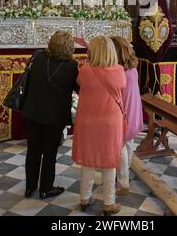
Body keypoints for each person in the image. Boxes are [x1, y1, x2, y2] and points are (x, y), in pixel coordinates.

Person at [72, 36, 126, 216]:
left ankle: (85, 198)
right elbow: (122, 87)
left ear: (92, 53)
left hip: (87, 121)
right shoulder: (119, 70)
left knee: (88, 159)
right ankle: (109, 203)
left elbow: (80, 84)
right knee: (109, 161)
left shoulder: (85, 71)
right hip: (110, 122)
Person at [22, 31, 78, 199]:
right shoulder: (71, 66)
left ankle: (30, 187)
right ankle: (46, 188)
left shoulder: (37, 56)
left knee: (33, 151)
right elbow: (79, 88)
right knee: (49, 153)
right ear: (69, 48)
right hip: (55, 117)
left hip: (32, 112)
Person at [111, 37, 143, 195]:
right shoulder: (131, 67)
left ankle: (122, 182)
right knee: (127, 144)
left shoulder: (119, 71)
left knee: (121, 147)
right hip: (134, 111)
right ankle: (125, 173)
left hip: (124, 112)